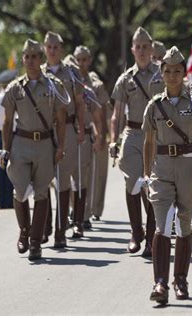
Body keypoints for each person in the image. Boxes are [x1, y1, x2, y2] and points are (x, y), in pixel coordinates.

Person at [143, 46, 192, 304]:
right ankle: (160, 283)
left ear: (184, 73)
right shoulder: (154, 106)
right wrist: (146, 174)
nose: (172, 76)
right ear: (161, 74)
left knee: (184, 225)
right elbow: (148, 142)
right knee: (162, 225)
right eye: (167, 71)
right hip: (162, 169)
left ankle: (180, 279)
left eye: (177, 71)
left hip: (189, 168)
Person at [0, 39, 67, 260]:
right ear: (23, 59)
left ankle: (36, 242)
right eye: (26, 57)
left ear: (41, 59)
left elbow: (60, 118)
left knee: (41, 192)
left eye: (34, 56)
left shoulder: (53, 85)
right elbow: (7, 123)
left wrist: (61, 147)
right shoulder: (15, 88)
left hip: (45, 144)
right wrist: (6, 149)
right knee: (19, 191)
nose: (30, 61)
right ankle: (24, 232)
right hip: (21, 143)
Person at [109, 27, 163, 257]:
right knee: (132, 183)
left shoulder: (163, 75)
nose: (141, 51)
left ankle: (151, 238)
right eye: (137, 46)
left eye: (145, 46)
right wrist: (114, 140)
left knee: (152, 185)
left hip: (156, 136)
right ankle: (135, 231)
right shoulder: (125, 79)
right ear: (132, 49)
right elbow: (117, 114)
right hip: (132, 134)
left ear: (152, 49)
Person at [42, 31, 86, 245]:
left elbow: (79, 102)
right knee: (42, 178)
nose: (52, 50)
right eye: (48, 47)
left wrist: (80, 129)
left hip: (67, 127)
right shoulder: (37, 72)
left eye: (56, 47)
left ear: (61, 49)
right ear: (44, 49)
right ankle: (45, 227)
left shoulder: (71, 73)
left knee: (63, 178)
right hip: (43, 131)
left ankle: (60, 231)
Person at [69, 46, 105, 228]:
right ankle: (72, 210)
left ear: (89, 60)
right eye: (78, 60)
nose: (81, 63)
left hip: (88, 134)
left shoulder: (94, 85)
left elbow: (102, 113)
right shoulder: (67, 80)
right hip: (68, 134)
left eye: (84, 59)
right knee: (67, 177)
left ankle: (84, 214)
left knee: (85, 177)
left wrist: (101, 137)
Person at [0, 69, 17, 209]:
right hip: (12, 134)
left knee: (1, 167)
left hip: (0, 135)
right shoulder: (13, 98)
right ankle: (11, 198)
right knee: (13, 167)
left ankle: (3, 201)